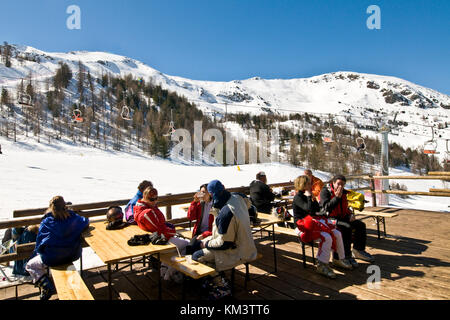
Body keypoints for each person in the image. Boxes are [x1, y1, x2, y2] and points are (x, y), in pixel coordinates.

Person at [25, 196, 89, 300]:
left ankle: (46, 286)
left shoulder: (47, 222)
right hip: (72, 254)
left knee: (30, 265)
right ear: (65, 206)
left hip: (52, 259)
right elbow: (85, 221)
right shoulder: (73, 218)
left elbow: (39, 242)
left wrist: (40, 253)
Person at [292, 175, 352, 279]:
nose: (312, 185)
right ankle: (322, 264)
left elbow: (317, 210)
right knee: (326, 237)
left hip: (313, 223)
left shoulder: (309, 195)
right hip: (302, 226)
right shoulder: (298, 197)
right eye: (309, 183)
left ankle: (338, 259)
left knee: (337, 233)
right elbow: (308, 209)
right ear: (303, 185)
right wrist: (309, 197)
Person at [191, 180, 257, 272]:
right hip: (248, 246)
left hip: (236, 251)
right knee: (195, 243)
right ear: (223, 188)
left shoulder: (226, 213)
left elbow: (224, 244)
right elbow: (249, 204)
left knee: (196, 256)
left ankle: (218, 281)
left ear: (211, 194)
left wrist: (205, 244)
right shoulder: (238, 197)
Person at [319, 174, 374, 268]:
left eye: (343, 185)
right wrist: (336, 197)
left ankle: (358, 250)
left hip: (342, 217)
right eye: (338, 184)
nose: (340, 186)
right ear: (333, 182)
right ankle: (344, 255)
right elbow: (326, 208)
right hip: (329, 220)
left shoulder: (343, 192)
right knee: (345, 227)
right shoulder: (325, 191)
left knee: (360, 225)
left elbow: (345, 207)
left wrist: (350, 214)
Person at [134, 187, 189, 254]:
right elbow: (158, 230)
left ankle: (169, 262)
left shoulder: (147, 207)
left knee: (184, 243)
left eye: (156, 198)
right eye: (151, 199)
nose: (154, 201)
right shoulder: (147, 213)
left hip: (156, 238)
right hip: (159, 240)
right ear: (145, 197)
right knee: (187, 245)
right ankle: (171, 263)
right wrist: (173, 231)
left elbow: (159, 224)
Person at [185, 184, 214, 255]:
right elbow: (190, 217)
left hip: (210, 233)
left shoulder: (215, 206)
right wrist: (194, 202)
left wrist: (204, 235)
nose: (202, 195)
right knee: (189, 247)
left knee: (196, 249)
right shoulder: (200, 204)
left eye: (204, 192)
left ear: (210, 193)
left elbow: (215, 228)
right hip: (199, 232)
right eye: (201, 192)